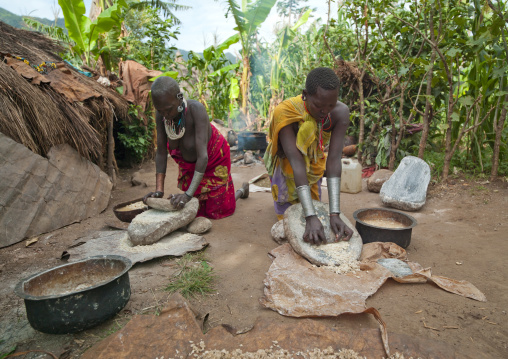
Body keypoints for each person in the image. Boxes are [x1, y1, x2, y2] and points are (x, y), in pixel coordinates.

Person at [263, 67, 353, 245]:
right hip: (289, 165)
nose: (325, 111)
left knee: (315, 215)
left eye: (331, 105)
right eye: (319, 106)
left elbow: (334, 159)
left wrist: (335, 213)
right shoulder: (286, 112)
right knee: (290, 223)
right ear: (305, 95)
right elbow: (296, 161)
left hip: (313, 165)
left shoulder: (340, 113)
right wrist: (311, 216)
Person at [143, 76, 248, 219]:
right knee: (195, 210)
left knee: (218, 209)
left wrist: (187, 195)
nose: (165, 116)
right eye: (161, 111)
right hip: (192, 166)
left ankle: (241, 191)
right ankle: (233, 191)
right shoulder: (161, 114)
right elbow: (161, 151)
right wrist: (158, 191)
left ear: (179, 97)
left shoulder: (196, 110)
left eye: (168, 110)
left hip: (213, 159)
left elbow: (203, 156)